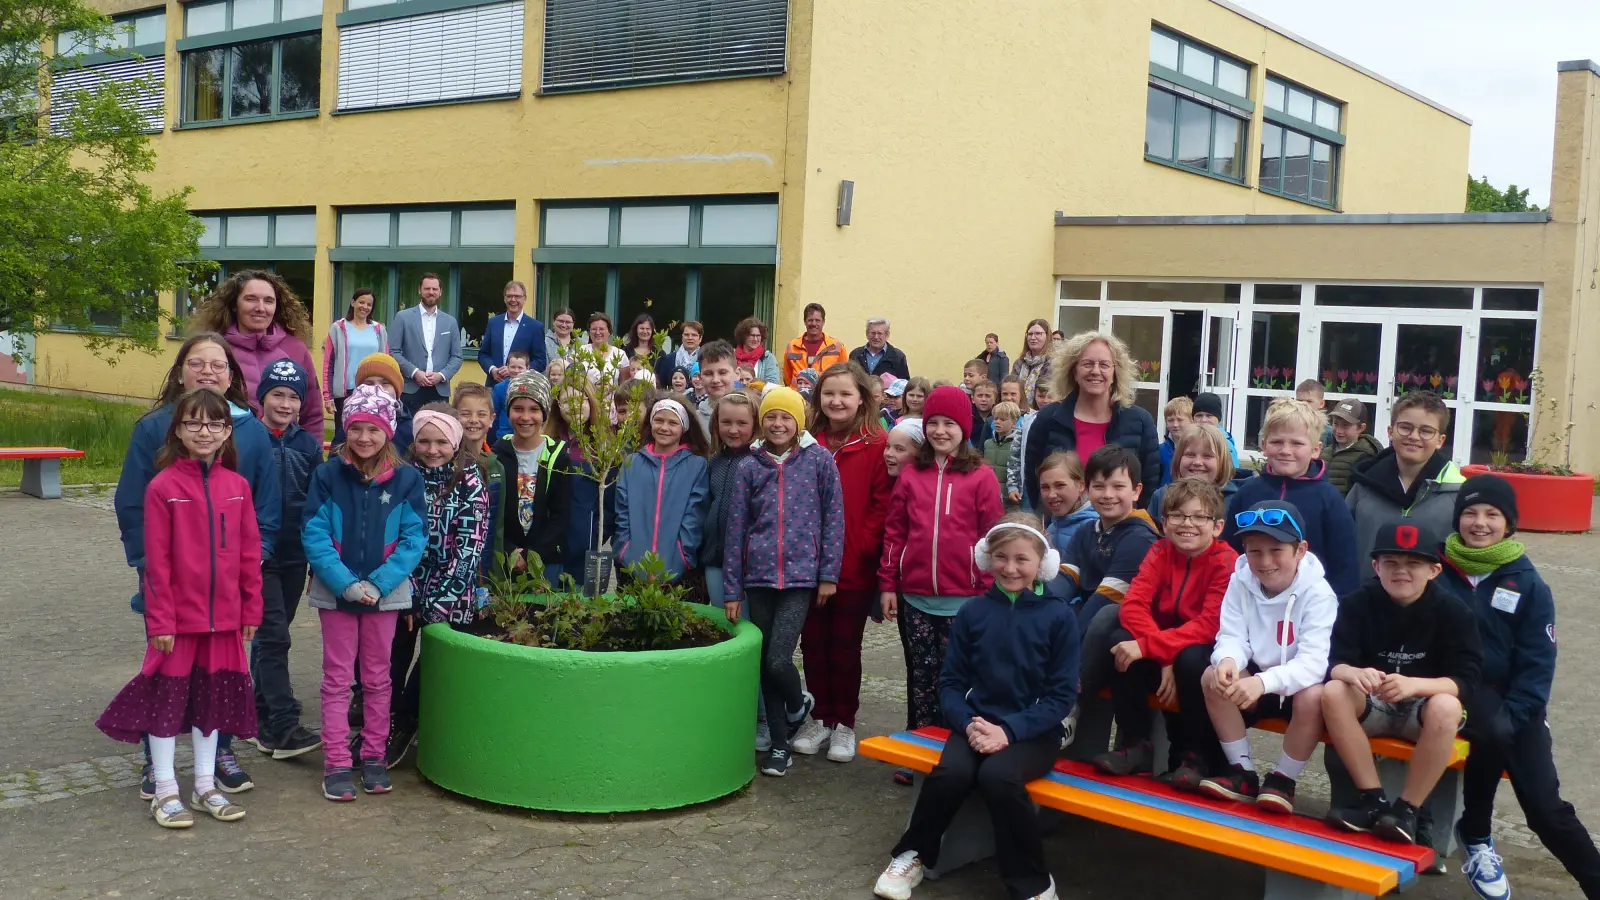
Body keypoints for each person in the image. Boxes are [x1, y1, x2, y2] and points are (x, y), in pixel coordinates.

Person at [873, 513, 1077, 900]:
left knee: (998, 777)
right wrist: (968, 724)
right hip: (975, 725)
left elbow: (1060, 696)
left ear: (1042, 563)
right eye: (1001, 557)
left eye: (1022, 559)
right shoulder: (973, 612)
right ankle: (913, 855)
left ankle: (1032, 881)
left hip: (1033, 732)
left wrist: (1009, 732)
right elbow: (950, 684)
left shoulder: (1059, 617)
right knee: (951, 773)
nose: (1010, 568)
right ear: (987, 558)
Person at [114, 334, 281, 799]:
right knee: (167, 680)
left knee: (219, 682)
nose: (208, 371)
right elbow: (133, 505)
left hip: (227, 593)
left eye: (218, 365)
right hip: (173, 584)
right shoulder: (154, 429)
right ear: (181, 370)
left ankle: (218, 757)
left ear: (232, 376)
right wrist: (148, 568)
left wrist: (248, 570)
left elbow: (264, 505)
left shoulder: (251, 431)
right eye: (197, 363)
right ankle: (158, 766)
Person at [97, 387, 263, 829]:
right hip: (178, 623)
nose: (203, 431)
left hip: (226, 621)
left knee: (212, 703)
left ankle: (206, 785)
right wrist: (161, 620)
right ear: (179, 430)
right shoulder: (163, 487)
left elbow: (249, 554)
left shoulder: (238, 486)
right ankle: (167, 789)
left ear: (228, 431)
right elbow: (158, 561)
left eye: (214, 423)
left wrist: (251, 611)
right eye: (193, 422)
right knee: (167, 704)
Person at [1440, 475, 1600, 898]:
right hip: (1447, 696)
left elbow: (1538, 663)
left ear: (1509, 523)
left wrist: (1515, 715)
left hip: (1517, 708)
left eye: (1492, 514)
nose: (1480, 523)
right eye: (1470, 513)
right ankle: (1475, 836)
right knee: (1487, 731)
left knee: (1547, 811)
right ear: (1457, 518)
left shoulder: (1527, 583)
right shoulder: (1434, 569)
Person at [301, 385, 428, 801]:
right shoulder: (327, 474)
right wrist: (346, 584)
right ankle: (337, 760)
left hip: (385, 595)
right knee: (338, 679)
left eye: (373, 429)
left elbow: (413, 539)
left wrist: (377, 584)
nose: (364, 438)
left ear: (388, 431)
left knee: (378, 678)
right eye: (355, 428)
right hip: (336, 593)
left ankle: (373, 755)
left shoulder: (408, 479)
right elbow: (315, 534)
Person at [1322, 520, 1482, 843]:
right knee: (1334, 690)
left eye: (1414, 564)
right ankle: (1373, 800)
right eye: (1391, 563)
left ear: (1435, 570)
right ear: (1375, 566)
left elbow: (1467, 680)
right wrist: (1352, 673)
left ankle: (1407, 810)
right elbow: (1333, 663)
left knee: (1448, 707)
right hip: (1374, 703)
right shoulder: (1357, 603)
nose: (1401, 572)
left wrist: (1415, 685)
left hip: (1420, 709)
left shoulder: (1454, 611)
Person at [724, 386, 846, 776]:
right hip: (758, 576)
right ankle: (780, 745)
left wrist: (828, 574)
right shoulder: (750, 466)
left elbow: (834, 520)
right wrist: (732, 589)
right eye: (771, 417)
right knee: (764, 662)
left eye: (786, 417)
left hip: (800, 577)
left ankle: (798, 705)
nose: (778, 424)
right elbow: (736, 529)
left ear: (799, 422)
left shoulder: (820, 461)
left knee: (779, 658)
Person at [1091, 478, 1236, 787]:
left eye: (1199, 517)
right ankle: (1136, 744)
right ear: (1165, 522)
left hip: (1200, 655)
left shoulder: (1227, 562)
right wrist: (1160, 653)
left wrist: (1153, 648)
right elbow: (1133, 606)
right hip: (1165, 655)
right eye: (1178, 516)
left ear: (1217, 525)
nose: (1188, 524)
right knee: (1120, 641)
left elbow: (1210, 625)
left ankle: (1197, 756)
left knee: (1194, 658)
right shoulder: (1159, 551)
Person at [879, 386, 1006, 735]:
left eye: (949, 423)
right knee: (920, 677)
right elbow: (895, 533)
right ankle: (919, 746)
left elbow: (993, 537)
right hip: (916, 598)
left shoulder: (980, 476)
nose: (939, 431)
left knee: (958, 679)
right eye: (932, 422)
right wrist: (888, 583)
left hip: (964, 601)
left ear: (964, 428)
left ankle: (956, 747)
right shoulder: (910, 475)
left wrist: (990, 590)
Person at [1197, 500, 1337, 812]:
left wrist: (1262, 682)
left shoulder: (1319, 593)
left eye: (1276, 551)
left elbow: (1314, 664)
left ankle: (1284, 780)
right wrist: (1229, 661)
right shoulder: (1240, 580)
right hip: (1255, 687)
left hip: (1294, 693)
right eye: (1254, 551)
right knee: (1212, 676)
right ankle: (1242, 772)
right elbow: (1232, 634)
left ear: (1300, 550)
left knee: (1315, 695)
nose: (1265, 561)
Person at [797, 364, 893, 763]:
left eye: (845, 394)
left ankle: (845, 723)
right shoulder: (807, 441)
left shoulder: (876, 443)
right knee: (813, 644)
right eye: (828, 394)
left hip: (853, 566)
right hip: (806, 564)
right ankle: (820, 716)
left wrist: (860, 548)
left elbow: (880, 506)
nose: (836, 401)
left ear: (861, 399)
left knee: (844, 645)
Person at [387, 404, 490, 769]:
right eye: (424, 442)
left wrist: (433, 604)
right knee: (390, 659)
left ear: (456, 441)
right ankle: (381, 722)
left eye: (441, 442)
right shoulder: (404, 478)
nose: (432, 450)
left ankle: (407, 720)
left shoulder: (470, 481)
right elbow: (397, 540)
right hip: (403, 587)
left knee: (432, 662)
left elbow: (468, 550)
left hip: (451, 591)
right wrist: (410, 596)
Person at [249, 359, 324, 760]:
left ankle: (256, 712)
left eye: (293, 397)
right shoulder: (247, 439)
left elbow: (319, 504)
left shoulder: (308, 446)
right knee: (275, 635)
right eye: (277, 394)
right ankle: (282, 724)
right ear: (262, 397)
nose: (285, 403)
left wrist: (317, 557)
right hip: (260, 555)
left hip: (296, 553)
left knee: (270, 635)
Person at [1224, 398, 1360, 597]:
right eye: (1277, 442)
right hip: (1251, 602)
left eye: (1297, 443)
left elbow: (1345, 564)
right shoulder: (1247, 493)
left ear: (1316, 449)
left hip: (1310, 606)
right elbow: (1229, 552)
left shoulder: (1329, 499)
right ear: (1264, 444)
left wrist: (1340, 614)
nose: (1286, 450)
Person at [1022, 331, 1161, 511]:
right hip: (1061, 529)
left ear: (1115, 372)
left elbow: (1149, 483)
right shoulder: (1048, 418)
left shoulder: (1140, 421)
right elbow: (1034, 480)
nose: (1095, 371)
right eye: (1087, 364)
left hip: (1121, 530)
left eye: (1104, 365)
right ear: (1074, 371)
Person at [195, 269, 324, 436]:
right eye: (251, 299)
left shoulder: (295, 349)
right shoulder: (213, 348)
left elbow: (312, 414)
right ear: (234, 305)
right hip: (227, 451)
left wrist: (312, 456)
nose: (260, 308)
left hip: (281, 454)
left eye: (269, 301)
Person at [1346, 390, 1464, 561]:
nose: (1414, 436)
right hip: (1366, 586)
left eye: (1426, 431)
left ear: (1440, 440)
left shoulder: (1458, 493)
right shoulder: (1363, 487)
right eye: (1405, 427)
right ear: (1390, 431)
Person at [615, 395, 711, 585]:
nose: (664, 428)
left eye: (672, 422)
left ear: (683, 427)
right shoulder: (632, 463)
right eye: (658, 420)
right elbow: (622, 513)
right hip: (634, 568)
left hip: (679, 571)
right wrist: (626, 552)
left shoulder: (696, 465)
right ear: (650, 423)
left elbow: (694, 516)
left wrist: (681, 557)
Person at [492, 372, 573, 584]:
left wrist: (531, 556)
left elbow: (560, 516)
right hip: (506, 559)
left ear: (544, 413)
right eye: (518, 409)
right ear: (508, 411)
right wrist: (511, 552)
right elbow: (493, 513)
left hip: (547, 560)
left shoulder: (559, 457)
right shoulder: (497, 454)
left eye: (534, 409)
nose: (526, 417)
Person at [703, 391, 758, 609]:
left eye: (742, 423)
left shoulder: (759, 462)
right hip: (714, 559)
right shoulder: (713, 461)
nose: (733, 430)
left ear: (755, 425)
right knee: (722, 625)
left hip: (748, 564)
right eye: (726, 422)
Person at [452, 382, 506, 581]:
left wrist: (497, 576)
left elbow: (498, 525)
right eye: (465, 413)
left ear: (492, 419)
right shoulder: (447, 465)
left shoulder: (496, 467)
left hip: (486, 570)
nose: (473, 420)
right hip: (453, 571)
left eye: (481, 414)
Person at [322, 288, 389, 446]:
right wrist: (328, 396)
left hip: (373, 392)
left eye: (369, 304)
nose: (365, 307)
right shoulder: (338, 328)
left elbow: (386, 364)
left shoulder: (379, 330)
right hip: (346, 394)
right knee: (343, 437)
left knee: (370, 435)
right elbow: (328, 364)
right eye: (361, 302)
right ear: (353, 302)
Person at [389, 273, 464, 415]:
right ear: (419, 290)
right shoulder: (403, 317)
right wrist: (415, 372)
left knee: (439, 430)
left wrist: (441, 375)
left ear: (440, 292)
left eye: (435, 289)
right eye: (427, 288)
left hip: (439, 389)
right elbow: (394, 351)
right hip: (410, 387)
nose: (431, 292)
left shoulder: (450, 322)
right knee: (407, 432)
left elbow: (457, 357)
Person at [1147, 423, 1237, 529]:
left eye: (1207, 456)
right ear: (1178, 458)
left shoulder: (1235, 500)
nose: (1197, 462)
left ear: (1222, 462)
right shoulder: (1161, 496)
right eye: (1190, 455)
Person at [478, 280, 546, 386]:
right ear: (505, 299)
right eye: (509, 296)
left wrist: (518, 371)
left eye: (517, 296)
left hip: (522, 387)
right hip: (494, 385)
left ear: (524, 299)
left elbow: (541, 361)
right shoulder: (493, 323)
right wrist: (492, 369)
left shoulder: (535, 327)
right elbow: (483, 354)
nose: (513, 300)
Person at [1036, 450, 1097, 554]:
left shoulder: (1094, 529)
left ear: (1081, 485)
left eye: (1060, 485)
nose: (1051, 494)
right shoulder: (1052, 527)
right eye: (1045, 487)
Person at [1007, 381, 1057, 507]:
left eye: (1049, 396)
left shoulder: (1062, 421)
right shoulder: (1027, 421)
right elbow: (1015, 455)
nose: (1045, 400)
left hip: (1056, 487)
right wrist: (1013, 486)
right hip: (1029, 487)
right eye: (1041, 396)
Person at [1321, 399, 1381, 495]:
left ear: (1361, 428)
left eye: (1345, 426)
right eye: (1335, 423)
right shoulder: (1325, 451)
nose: (1339, 430)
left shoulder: (1366, 457)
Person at [782, 302, 849, 388]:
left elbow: (844, 377)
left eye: (817, 320)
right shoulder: (792, 346)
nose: (814, 324)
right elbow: (787, 378)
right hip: (797, 397)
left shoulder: (837, 347)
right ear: (805, 322)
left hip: (824, 397)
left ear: (823, 322)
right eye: (810, 320)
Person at [695, 340, 740, 429]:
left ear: (737, 374)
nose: (715, 380)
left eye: (722, 372)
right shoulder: (694, 422)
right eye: (708, 374)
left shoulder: (752, 415)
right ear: (700, 378)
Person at [490, 350, 531, 442]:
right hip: (504, 436)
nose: (516, 371)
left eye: (520, 367)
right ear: (507, 367)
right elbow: (494, 414)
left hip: (526, 436)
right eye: (513, 367)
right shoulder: (499, 388)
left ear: (527, 368)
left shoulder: (532, 389)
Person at [984, 401, 1021, 500]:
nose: (997, 422)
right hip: (988, 491)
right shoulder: (987, 443)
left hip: (1009, 494)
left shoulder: (1018, 445)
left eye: (1002, 419)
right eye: (996, 418)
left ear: (1014, 422)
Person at [1010, 318, 1053, 402]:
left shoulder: (1053, 363)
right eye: (1030, 334)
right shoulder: (1019, 363)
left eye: (1038, 333)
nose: (1033, 337)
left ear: (1047, 336)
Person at [1190, 393, 1239, 465]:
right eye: (1199, 415)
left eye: (1209, 415)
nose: (1203, 420)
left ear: (1218, 418)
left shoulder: (1226, 445)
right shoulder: (1189, 440)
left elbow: (1233, 473)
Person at [582, 312, 630, 387]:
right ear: (589, 332)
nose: (597, 332)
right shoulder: (581, 351)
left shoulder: (620, 354)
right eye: (594, 329)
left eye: (601, 329)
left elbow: (623, 387)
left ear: (609, 332)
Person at [734, 316, 781, 384]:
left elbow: (772, 384)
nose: (756, 339)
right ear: (743, 336)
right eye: (752, 335)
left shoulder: (768, 358)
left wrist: (752, 386)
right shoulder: (732, 356)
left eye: (758, 335)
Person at [655, 320, 704, 386]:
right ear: (682, 337)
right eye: (686, 335)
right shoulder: (667, 360)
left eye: (694, 335)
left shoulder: (705, 360)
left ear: (700, 338)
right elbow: (662, 385)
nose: (690, 338)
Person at [1159, 396, 1193, 487]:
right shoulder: (1159, 450)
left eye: (1180, 420)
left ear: (1192, 420)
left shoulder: (1197, 451)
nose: (1175, 425)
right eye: (1170, 420)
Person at [1297, 379, 1336, 447]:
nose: (1303, 405)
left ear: (1321, 403)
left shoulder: (1328, 432)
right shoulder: (1288, 426)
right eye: (1300, 401)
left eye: (1309, 401)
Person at [971, 380, 998, 448]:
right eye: (980, 396)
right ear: (972, 399)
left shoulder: (999, 417)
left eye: (988, 396)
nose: (983, 399)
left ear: (995, 399)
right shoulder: (966, 417)